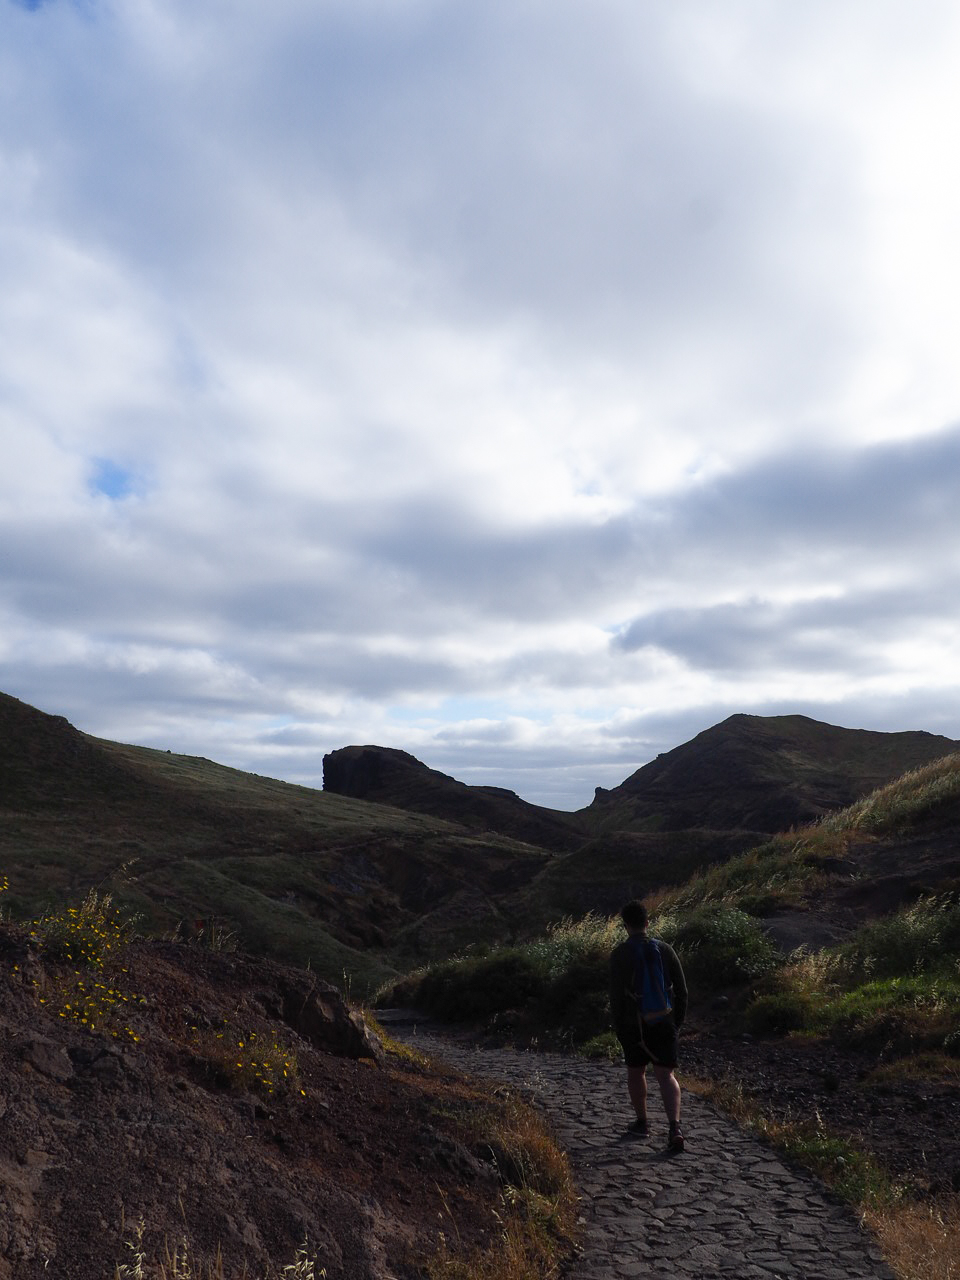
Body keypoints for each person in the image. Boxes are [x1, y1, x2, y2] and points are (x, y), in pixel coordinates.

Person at [609, 899, 688, 1152]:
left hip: (634, 1026)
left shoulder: (620, 954)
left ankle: (642, 1123)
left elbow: (615, 996)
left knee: (636, 1071)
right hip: (664, 1021)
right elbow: (682, 991)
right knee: (666, 1075)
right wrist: (676, 1023)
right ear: (647, 922)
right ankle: (674, 1127)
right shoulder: (665, 950)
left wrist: (620, 1027)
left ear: (625, 926)